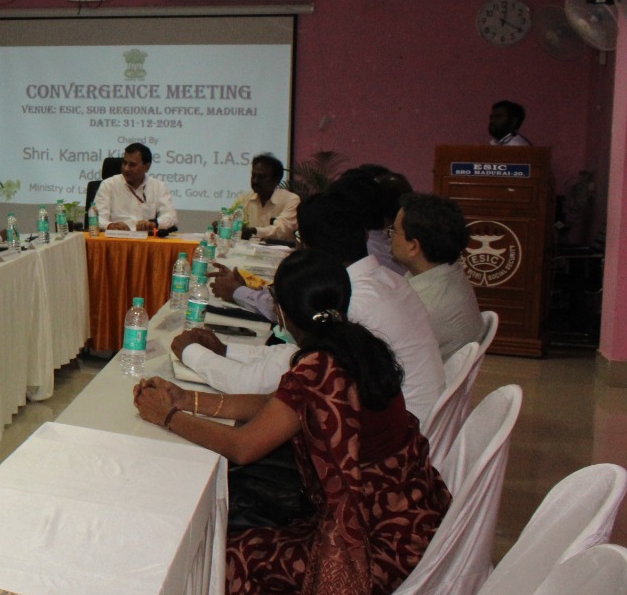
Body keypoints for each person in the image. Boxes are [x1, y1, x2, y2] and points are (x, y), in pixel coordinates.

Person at [135, 249, 449, 595]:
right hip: (409, 517)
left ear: (280, 312)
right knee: (234, 540)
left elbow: (245, 447)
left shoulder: (319, 366)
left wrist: (167, 416)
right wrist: (189, 402)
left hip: (370, 545)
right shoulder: (355, 348)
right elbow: (277, 406)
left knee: (231, 563)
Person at [180, 192, 445, 425]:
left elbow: (257, 383)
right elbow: (290, 357)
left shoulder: (349, 300)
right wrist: (226, 350)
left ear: (310, 248)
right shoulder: (389, 280)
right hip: (406, 422)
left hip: (384, 434)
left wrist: (188, 351)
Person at [391, 192, 485, 359]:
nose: (390, 237)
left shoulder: (421, 308)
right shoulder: (449, 271)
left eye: (394, 231)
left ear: (414, 246)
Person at [92, 143, 177, 232]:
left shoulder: (158, 186)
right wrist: (110, 225)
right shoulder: (108, 184)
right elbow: (96, 218)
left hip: (146, 238)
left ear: (146, 167)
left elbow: (171, 217)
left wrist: (154, 223)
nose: (126, 168)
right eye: (124, 163)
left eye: (132, 165)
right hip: (116, 237)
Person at [228, 153, 299, 242]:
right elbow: (231, 218)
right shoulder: (244, 199)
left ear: (277, 179)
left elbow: (283, 230)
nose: (255, 181)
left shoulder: (291, 200)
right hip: (247, 249)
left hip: (279, 250)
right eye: (253, 175)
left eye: (261, 177)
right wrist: (224, 224)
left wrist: (254, 231)